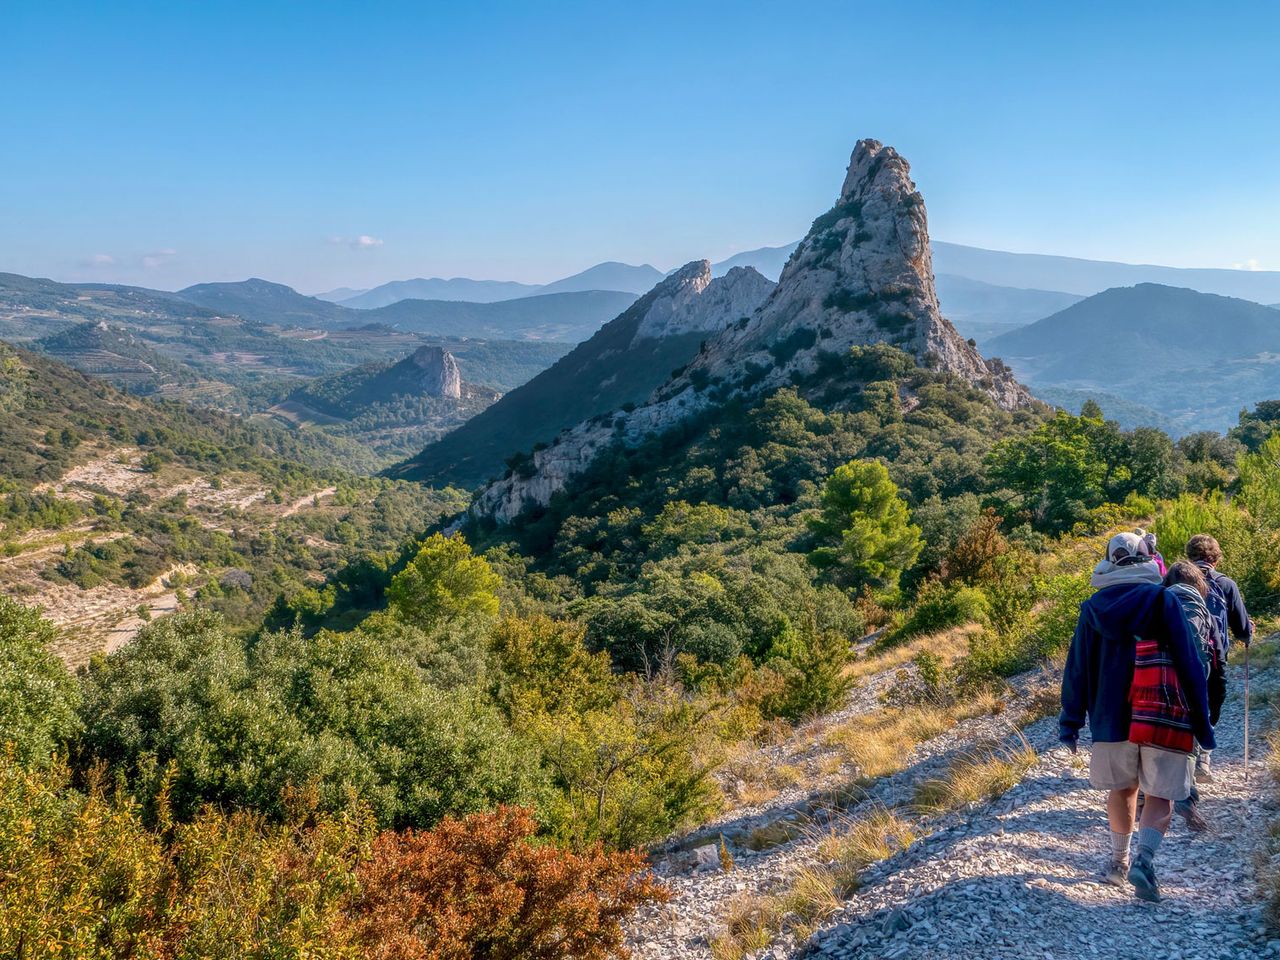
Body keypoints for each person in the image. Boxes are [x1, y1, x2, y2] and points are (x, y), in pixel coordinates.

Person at [1060, 532, 1214, 902]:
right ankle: (1145, 859)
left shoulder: (1093, 609)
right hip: (1162, 715)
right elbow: (1189, 662)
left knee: (1122, 789)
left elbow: (1076, 668)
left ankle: (1118, 862)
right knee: (1160, 794)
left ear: (1109, 564)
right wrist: (1202, 724)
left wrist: (1071, 722)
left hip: (1110, 718)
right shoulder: (1163, 600)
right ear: (1148, 561)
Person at [1186, 534, 1254, 783]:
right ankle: (1202, 755)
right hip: (1214, 657)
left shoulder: (1174, 581)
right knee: (1212, 703)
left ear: (1189, 556)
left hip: (1178, 656)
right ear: (1216, 557)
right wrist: (1248, 636)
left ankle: (1182, 756)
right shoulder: (1226, 584)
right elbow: (1242, 627)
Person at [1162, 561, 1215, 832]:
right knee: (1188, 742)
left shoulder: (1158, 602)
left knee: (1156, 740)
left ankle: (1149, 797)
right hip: (1192, 683)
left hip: (1159, 680)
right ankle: (1187, 797)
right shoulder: (1203, 608)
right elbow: (1216, 656)